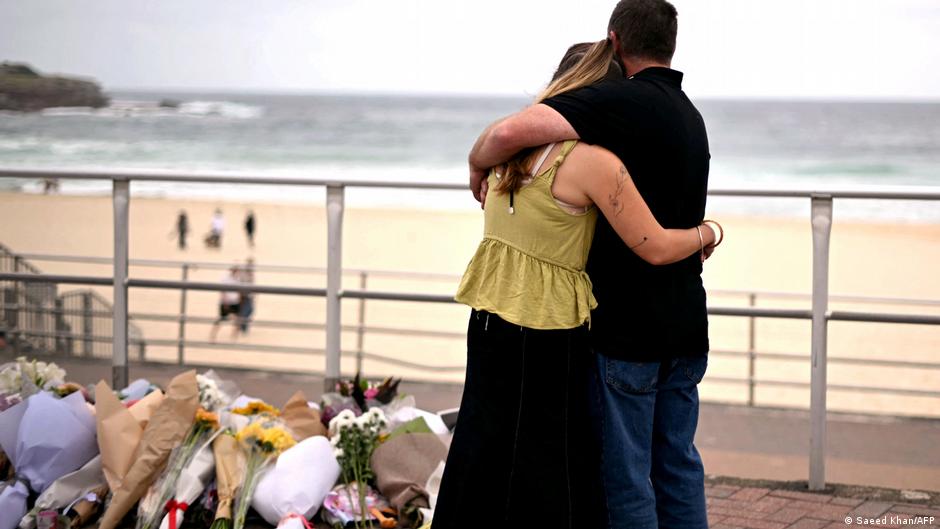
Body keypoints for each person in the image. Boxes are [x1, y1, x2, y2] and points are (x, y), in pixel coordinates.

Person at [432, 39, 718, 529]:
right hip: (549, 328)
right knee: (556, 463)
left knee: (483, 446)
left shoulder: (508, 150)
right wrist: (707, 232)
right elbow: (651, 244)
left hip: (489, 319)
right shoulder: (591, 162)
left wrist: (475, 161)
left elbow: (499, 142)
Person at [209, 266, 241, 342]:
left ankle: (234, 337)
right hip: (226, 302)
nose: (237, 272)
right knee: (221, 319)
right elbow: (222, 291)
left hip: (235, 302)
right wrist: (225, 302)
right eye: (235, 270)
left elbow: (239, 290)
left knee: (237, 320)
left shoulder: (238, 278)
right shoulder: (225, 279)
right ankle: (213, 336)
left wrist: (239, 299)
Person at [236, 258, 255, 334]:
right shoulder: (243, 273)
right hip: (243, 296)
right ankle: (243, 328)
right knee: (245, 312)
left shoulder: (251, 273)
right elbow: (240, 283)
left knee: (250, 310)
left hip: (249, 296)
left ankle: (243, 327)